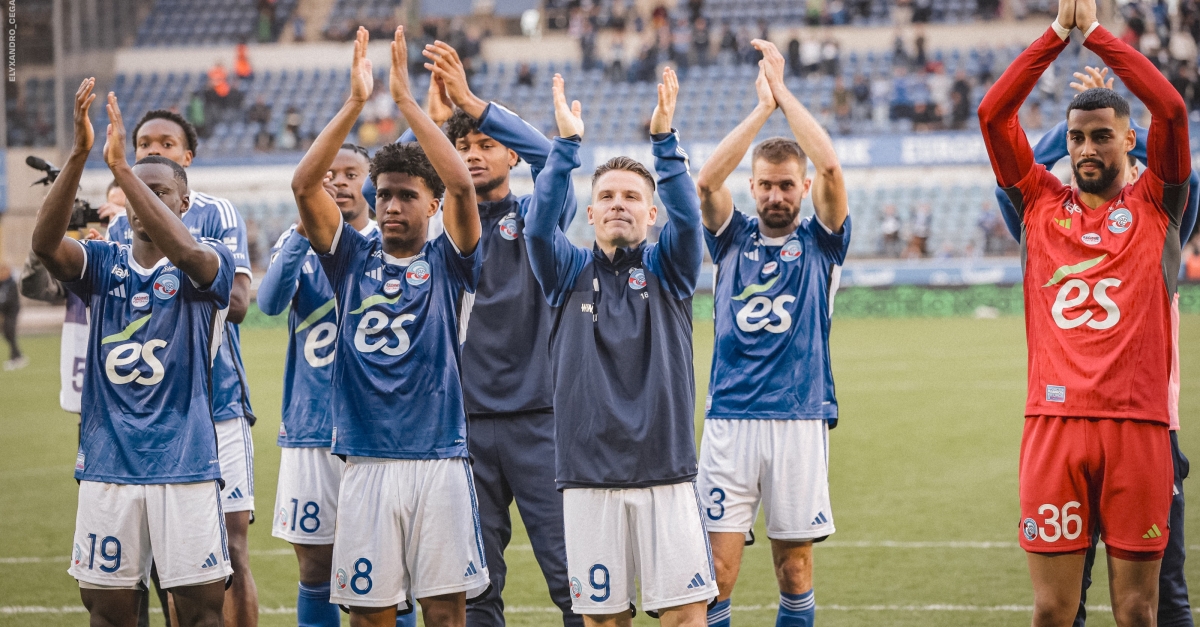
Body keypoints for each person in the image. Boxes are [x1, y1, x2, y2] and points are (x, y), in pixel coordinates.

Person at [978, 0, 1190, 624]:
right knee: (1051, 611)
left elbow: (1172, 111)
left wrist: (1098, 37)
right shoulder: (1038, 203)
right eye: (1076, 138)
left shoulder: (1158, 204)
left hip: (1139, 426)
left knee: (1138, 612)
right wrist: (1055, 35)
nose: (1087, 148)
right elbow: (994, 113)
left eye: (1102, 136)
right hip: (1054, 423)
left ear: (1131, 140)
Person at [291, 27, 487, 627]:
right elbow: (303, 185)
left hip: (438, 461)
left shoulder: (450, 260)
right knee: (369, 616)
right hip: (366, 461)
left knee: (445, 614)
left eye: (406, 195)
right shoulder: (350, 257)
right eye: (384, 196)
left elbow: (460, 181)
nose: (391, 206)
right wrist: (355, 103)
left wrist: (405, 101)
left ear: (431, 205)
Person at [32, 78, 233, 627]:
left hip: (184, 466)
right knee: (110, 612)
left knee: (199, 614)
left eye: (160, 191)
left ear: (185, 202)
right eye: (137, 190)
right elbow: (45, 246)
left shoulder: (206, 259)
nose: (146, 200)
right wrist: (79, 154)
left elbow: (189, 254)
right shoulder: (102, 263)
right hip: (107, 467)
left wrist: (123, 171)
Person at [525, 67, 716, 627]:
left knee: (684, 615)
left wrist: (664, 143)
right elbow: (537, 231)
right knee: (605, 621)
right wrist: (565, 147)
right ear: (588, 215)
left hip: (667, 471)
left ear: (651, 215)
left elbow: (689, 220)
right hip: (588, 478)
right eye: (605, 196)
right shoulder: (566, 273)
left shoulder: (670, 270)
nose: (618, 204)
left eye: (632, 197)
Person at [416, 41, 582, 627]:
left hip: (540, 419)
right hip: (461, 427)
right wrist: (435, 129)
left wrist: (472, 105)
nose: (472, 155)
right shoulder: (434, 228)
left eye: (486, 146)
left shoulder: (540, 216)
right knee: (476, 587)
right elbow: (384, 188)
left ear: (509, 157)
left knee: (574, 580)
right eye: (461, 148)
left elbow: (555, 155)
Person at [693, 39, 850, 627]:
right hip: (729, 419)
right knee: (715, 570)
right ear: (753, 187)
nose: (776, 195)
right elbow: (707, 182)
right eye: (766, 184)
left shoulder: (822, 243)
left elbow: (831, 165)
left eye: (788, 184)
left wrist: (784, 95)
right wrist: (760, 111)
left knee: (795, 570)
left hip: (798, 416)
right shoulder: (730, 239)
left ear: (802, 189)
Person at [107, 107, 260, 627]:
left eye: (166, 143)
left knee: (229, 555)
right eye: (144, 142)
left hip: (217, 405)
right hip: (147, 412)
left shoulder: (215, 213)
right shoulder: (119, 222)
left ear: (187, 158)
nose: (154, 149)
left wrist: (177, 246)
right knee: (149, 565)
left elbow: (237, 303)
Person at [258, 141, 379, 627]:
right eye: (328, 173)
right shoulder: (296, 245)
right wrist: (301, 233)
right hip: (311, 428)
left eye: (351, 173)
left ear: (369, 181)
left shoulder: (390, 241)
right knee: (315, 568)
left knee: (388, 569)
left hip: (378, 430)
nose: (339, 182)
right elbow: (268, 304)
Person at [0, 264, 23, 370]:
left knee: (10, 332)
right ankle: (17, 356)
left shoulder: (11, 284)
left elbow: (9, 300)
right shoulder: (1, 284)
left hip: (12, 312)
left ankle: (15, 357)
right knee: (7, 334)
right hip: (5, 312)